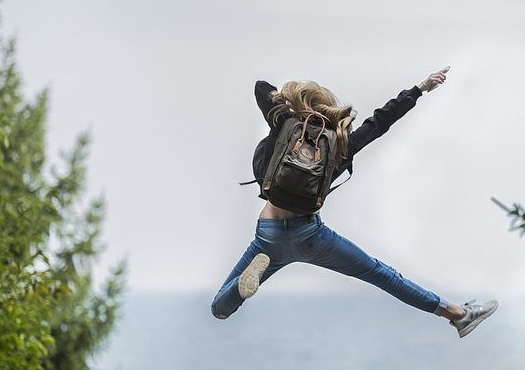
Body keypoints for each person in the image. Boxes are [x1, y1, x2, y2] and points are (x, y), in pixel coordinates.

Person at [210, 66, 498, 338]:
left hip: (268, 234)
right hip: (310, 235)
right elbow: (380, 122)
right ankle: (457, 314)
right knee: (382, 275)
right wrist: (419, 88)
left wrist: (292, 106)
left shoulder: (284, 125)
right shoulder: (339, 144)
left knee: (219, 309)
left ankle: (242, 287)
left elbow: (262, 88)